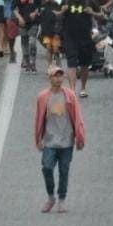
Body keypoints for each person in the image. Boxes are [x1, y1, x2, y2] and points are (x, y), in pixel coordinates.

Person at [34, 65, 86, 214]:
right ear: (50, 78)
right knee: (47, 167)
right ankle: (51, 197)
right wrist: (38, 138)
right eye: (55, 76)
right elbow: (38, 119)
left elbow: (78, 117)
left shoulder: (69, 95)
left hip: (66, 141)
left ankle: (62, 199)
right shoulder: (43, 97)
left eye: (60, 75)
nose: (58, 78)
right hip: (50, 141)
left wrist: (80, 137)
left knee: (64, 170)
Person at [56, 0, 103, 96]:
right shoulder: (66, 0)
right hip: (69, 36)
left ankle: (83, 88)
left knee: (84, 65)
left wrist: (92, 13)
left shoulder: (89, 1)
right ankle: (72, 90)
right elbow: (56, 15)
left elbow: (101, 15)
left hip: (85, 37)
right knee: (71, 63)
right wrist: (62, 11)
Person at [14, 0, 43, 73]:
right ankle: (26, 61)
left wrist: (35, 13)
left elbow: (40, 6)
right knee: (24, 41)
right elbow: (14, 8)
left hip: (33, 22)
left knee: (32, 42)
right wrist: (19, 18)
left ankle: (33, 63)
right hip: (22, 21)